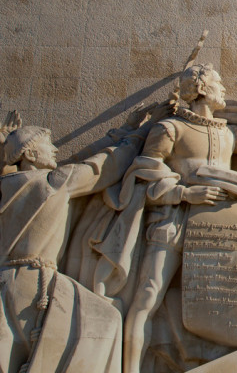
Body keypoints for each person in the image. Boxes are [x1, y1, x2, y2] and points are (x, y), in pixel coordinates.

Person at [117, 63, 237, 373]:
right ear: (202, 89)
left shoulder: (228, 133)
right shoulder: (170, 129)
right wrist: (185, 194)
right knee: (149, 294)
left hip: (221, 220)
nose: (225, 89)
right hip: (176, 218)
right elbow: (144, 175)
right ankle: (129, 368)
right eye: (219, 83)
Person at [0, 110, 146, 373]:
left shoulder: (6, 185)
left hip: (5, 281)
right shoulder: (52, 184)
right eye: (48, 146)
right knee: (107, 320)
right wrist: (136, 135)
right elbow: (102, 167)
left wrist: (122, 130)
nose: (55, 150)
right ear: (30, 155)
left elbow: (79, 160)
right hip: (36, 283)